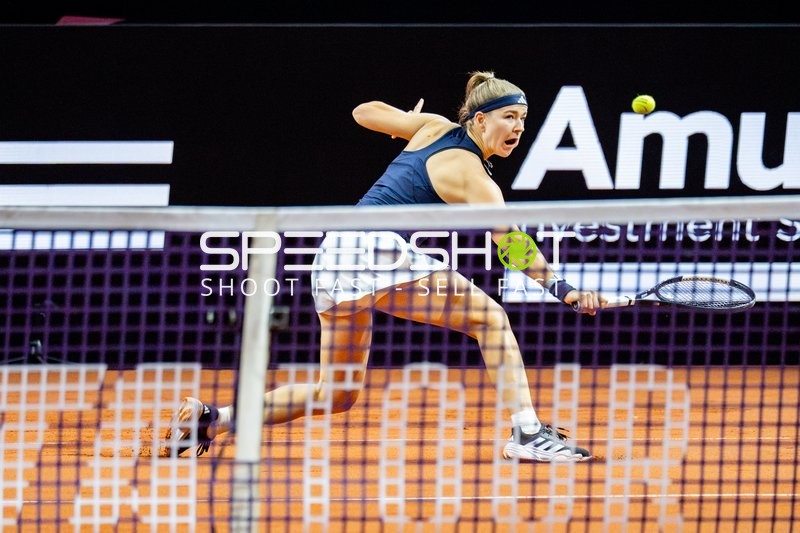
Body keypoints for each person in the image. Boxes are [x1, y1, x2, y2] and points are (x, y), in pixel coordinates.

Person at [167, 71, 606, 461]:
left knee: (335, 393)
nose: (518, 128)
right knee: (491, 319)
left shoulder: (432, 127)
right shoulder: (474, 174)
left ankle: (211, 419)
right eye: (509, 117)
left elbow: (364, 112)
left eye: (523, 119)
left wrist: (404, 126)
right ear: (480, 120)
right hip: (372, 252)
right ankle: (527, 432)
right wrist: (563, 288)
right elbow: (511, 244)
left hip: (335, 252)